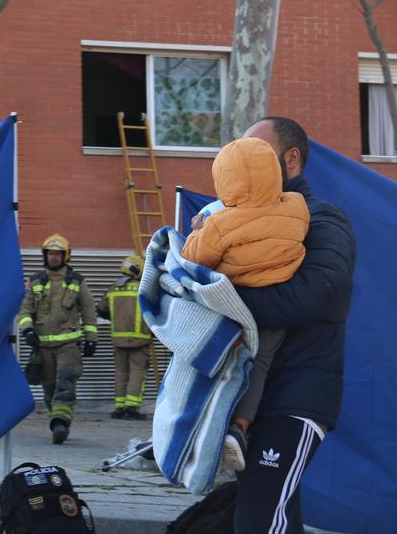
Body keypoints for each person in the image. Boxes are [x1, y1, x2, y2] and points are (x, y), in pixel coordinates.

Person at [197, 118, 354, 534]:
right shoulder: (230, 220)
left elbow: (317, 292)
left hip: (296, 395)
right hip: (250, 394)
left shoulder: (322, 218)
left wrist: (227, 301)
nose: (247, 162)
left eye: (258, 153)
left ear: (291, 158)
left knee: (263, 515)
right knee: (271, 512)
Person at [180, 137, 310, 471]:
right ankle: (239, 427)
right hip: (277, 306)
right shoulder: (296, 206)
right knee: (261, 364)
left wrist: (198, 230)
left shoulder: (221, 223)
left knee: (219, 365)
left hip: (233, 305)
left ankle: (204, 427)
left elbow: (194, 258)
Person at [17, 233, 99, 444]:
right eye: (50, 253)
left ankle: (60, 423)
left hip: (68, 345)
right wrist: (27, 330)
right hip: (42, 347)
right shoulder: (35, 281)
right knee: (49, 388)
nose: (53, 257)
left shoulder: (77, 281)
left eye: (57, 254)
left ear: (65, 256)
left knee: (66, 383)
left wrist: (91, 339)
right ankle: (56, 417)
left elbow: (89, 311)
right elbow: (25, 310)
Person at [97, 252, 153, 421]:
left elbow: (101, 309)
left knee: (121, 372)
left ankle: (119, 407)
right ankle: (132, 408)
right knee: (137, 372)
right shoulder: (144, 290)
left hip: (118, 339)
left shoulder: (113, 289)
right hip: (140, 339)